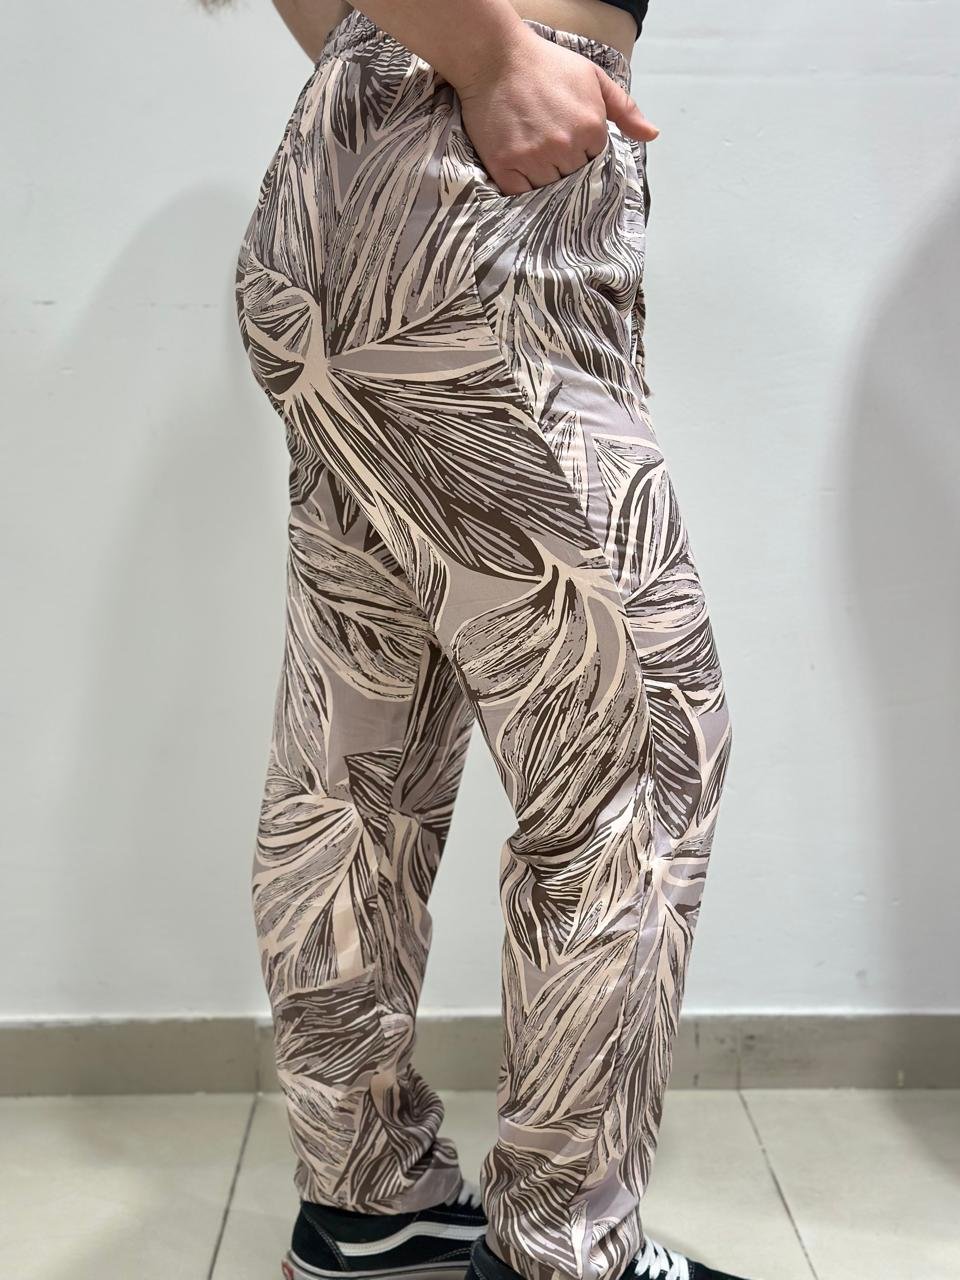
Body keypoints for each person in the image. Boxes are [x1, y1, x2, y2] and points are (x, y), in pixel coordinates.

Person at [232, 2, 739, 1278]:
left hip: (354, 187)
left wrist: (415, 52)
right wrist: (493, 55)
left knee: (361, 751)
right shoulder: (487, 69)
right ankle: (564, 1253)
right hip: (470, 217)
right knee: (640, 756)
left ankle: (369, 1206)